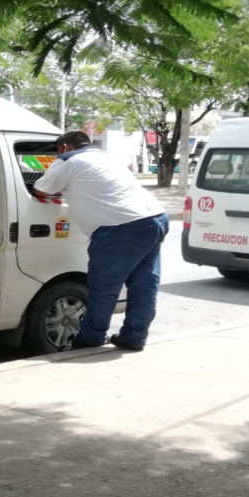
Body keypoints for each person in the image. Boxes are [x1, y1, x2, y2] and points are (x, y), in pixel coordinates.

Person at [32, 131, 169, 352]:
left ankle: (90, 338)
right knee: (144, 284)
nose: (58, 154)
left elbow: (40, 188)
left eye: (58, 150)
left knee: (104, 287)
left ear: (65, 147)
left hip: (120, 226)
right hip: (155, 217)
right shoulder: (107, 157)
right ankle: (134, 336)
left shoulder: (68, 159)